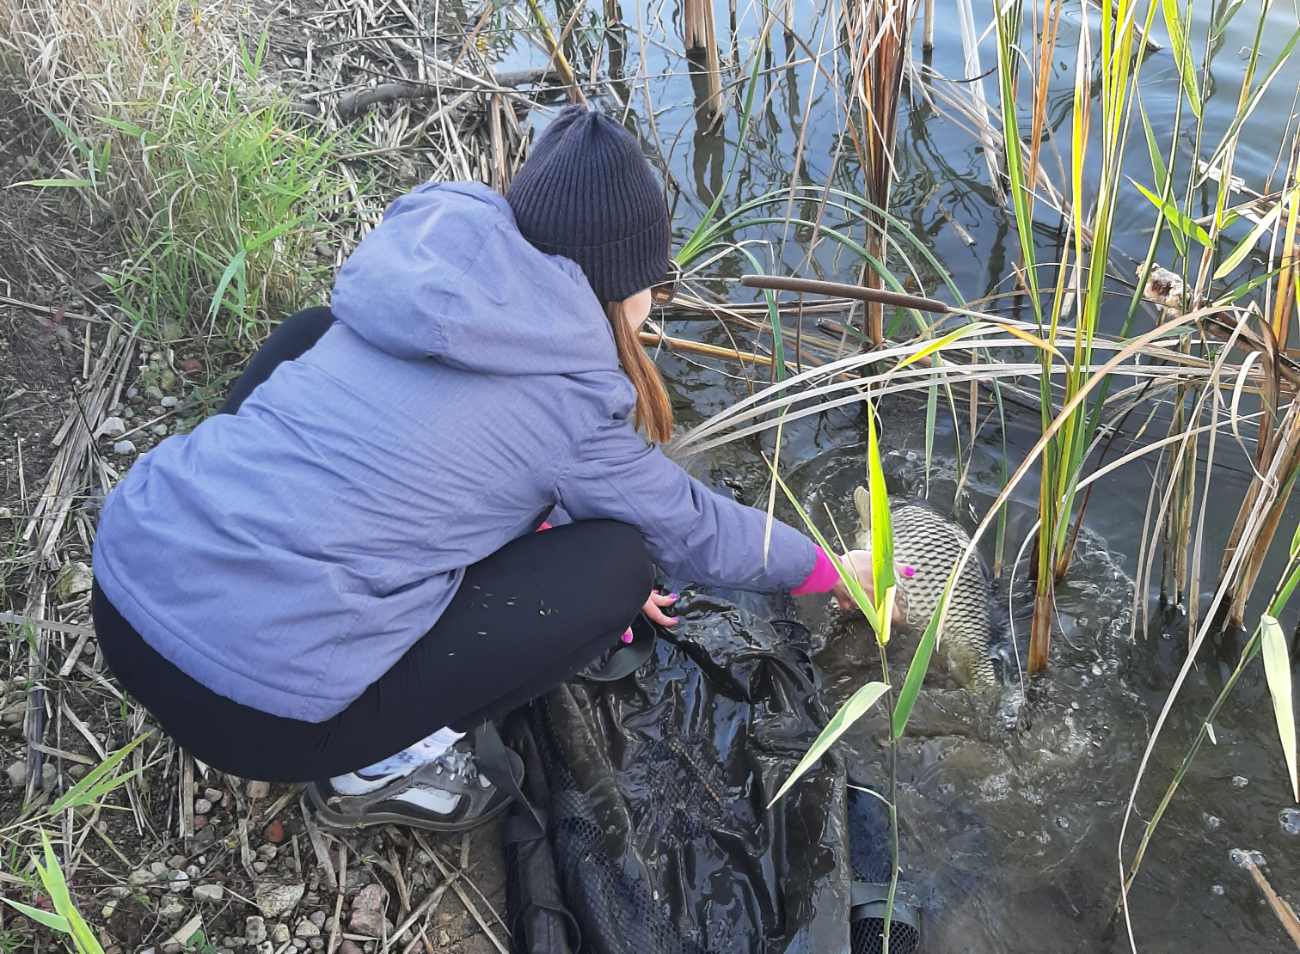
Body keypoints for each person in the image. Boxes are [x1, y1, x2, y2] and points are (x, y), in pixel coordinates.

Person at [90, 105, 889, 833]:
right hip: (256, 714)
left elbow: (462, 450)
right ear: (621, 282)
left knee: (311, 334)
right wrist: (827, 570)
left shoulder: (415, 272)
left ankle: (227, 556)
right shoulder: (573, 403)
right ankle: (378, 769)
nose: (655, 292)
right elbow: (693, 528)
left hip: (126, 591)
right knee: (621, 563)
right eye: (652, 276)